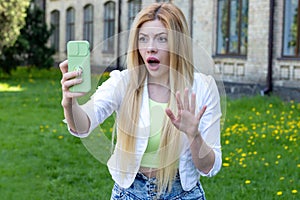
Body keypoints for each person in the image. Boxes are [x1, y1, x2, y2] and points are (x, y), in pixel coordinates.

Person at [60, 2, 222, 199]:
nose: (150, 48)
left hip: (183, 194)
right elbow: (82, 125)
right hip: (129, 193)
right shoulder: (122, 82)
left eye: (162, 39)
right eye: (143, 39)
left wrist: (194, 135)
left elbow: (210, 167)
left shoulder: (203, 88)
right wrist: (70, 103)